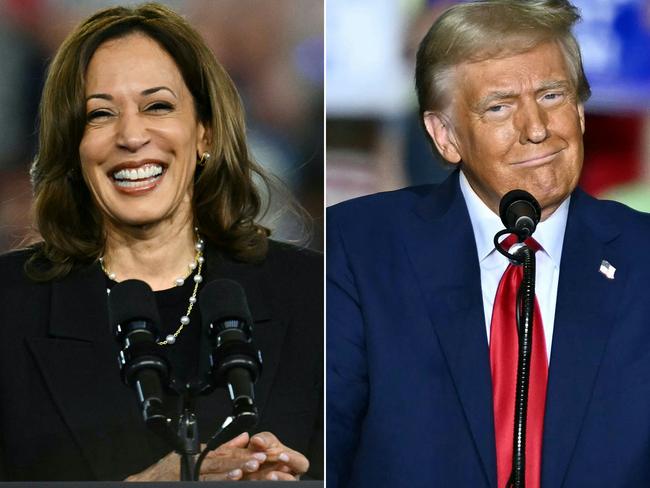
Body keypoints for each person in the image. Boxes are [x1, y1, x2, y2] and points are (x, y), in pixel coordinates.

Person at [327, 0, 650, 487]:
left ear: (581, 113)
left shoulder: (642, 257)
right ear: (445, 136)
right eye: (499, 106)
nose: (536, 129)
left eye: (552, 96)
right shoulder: (356, 248)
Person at [0, 3, 322, 482]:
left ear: (205, 132)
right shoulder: (10, 304)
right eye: (100, 114)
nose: (132, 135)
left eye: (158, 106)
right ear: (71, 145)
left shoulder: (314, 294)